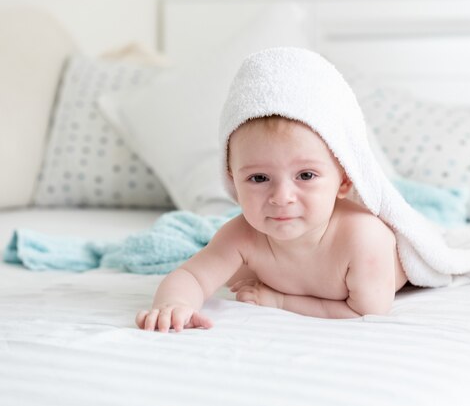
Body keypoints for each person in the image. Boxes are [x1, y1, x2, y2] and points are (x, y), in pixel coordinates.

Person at [136, 115, 408, 332]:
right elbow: (191, 276)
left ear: (344, 181)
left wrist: (279, 301)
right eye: (258, 178)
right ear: (233, 182)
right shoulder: (242, 235)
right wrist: (174, 304)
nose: (281, 198)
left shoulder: (363, 239)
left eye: (305, 175)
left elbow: (365, 311)